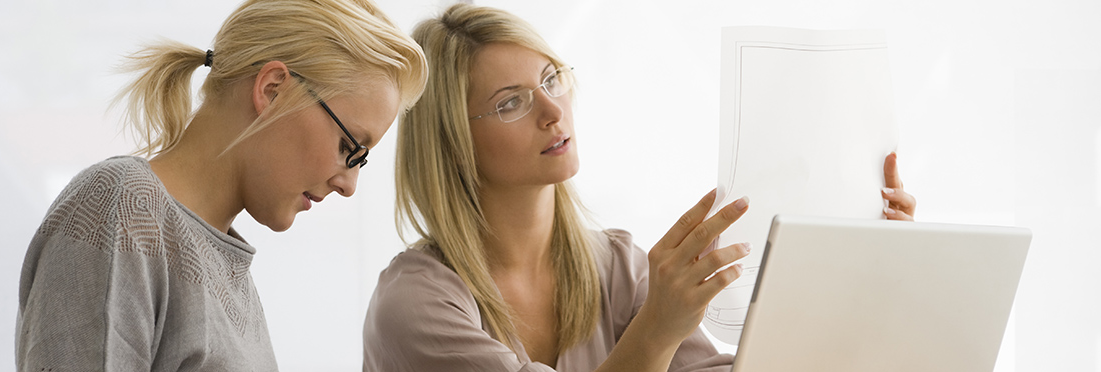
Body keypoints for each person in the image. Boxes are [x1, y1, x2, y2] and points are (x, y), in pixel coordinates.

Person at [362, 3, 916, 372]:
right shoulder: (415, 306)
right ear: (454, 142)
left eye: (551, 80)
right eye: (512, 102)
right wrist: (656, 330)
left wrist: (863, 271)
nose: (556, 112)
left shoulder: (616, 267)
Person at [15, 0, 426, 370]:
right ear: (273, 90)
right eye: (348, 147)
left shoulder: (224, 266)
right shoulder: (122, 209)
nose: (348, 184)